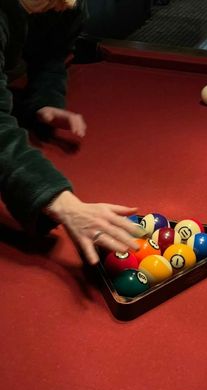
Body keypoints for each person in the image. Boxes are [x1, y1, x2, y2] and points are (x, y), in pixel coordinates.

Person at [0, 0, 140, 265]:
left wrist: (45, 101)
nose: (67, 4)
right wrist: (62, 202)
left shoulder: (66, 4)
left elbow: (51, 54)